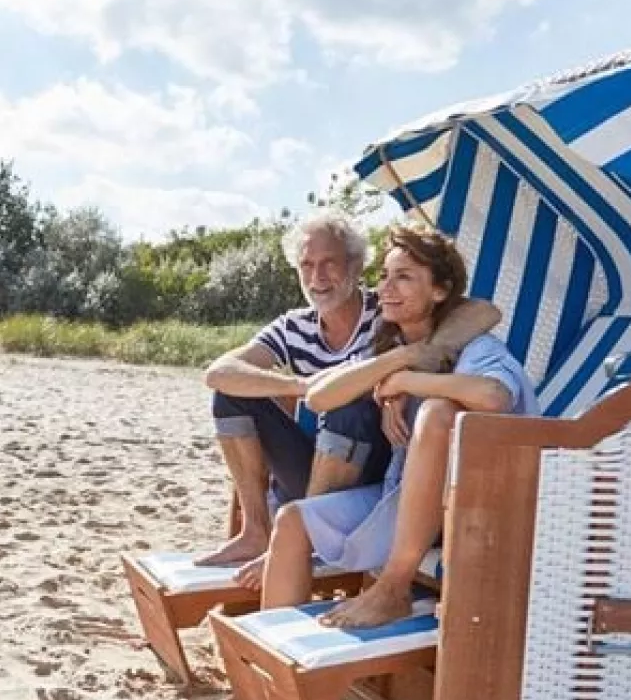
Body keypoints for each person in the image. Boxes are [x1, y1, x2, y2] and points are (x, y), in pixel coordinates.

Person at [260, 224, 538, 628]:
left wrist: (408, 382)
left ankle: (394, 586)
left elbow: (494, 396)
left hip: (476, 508)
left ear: (440, 291)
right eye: (385, 276)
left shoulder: (478, 348)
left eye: (404, 277)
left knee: (439, 412)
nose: (387, 288)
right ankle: (274, 666)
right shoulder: (394, 347)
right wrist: (398, 364)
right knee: (292, 521)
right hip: (407, 497)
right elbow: (319, 398)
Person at [196, 211, 501, 571]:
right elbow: (220, 372)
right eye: (306, 265)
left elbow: (483, 311)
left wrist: (407, 370)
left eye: (329, 264)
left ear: (356, 266)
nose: (317, 277)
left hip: (377, 468)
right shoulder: (294, 327)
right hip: (319, 466)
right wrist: (301, 385)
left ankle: (305, 538)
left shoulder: (387, 308)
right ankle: (258, 530)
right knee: (231, 396)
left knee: (350, 406)